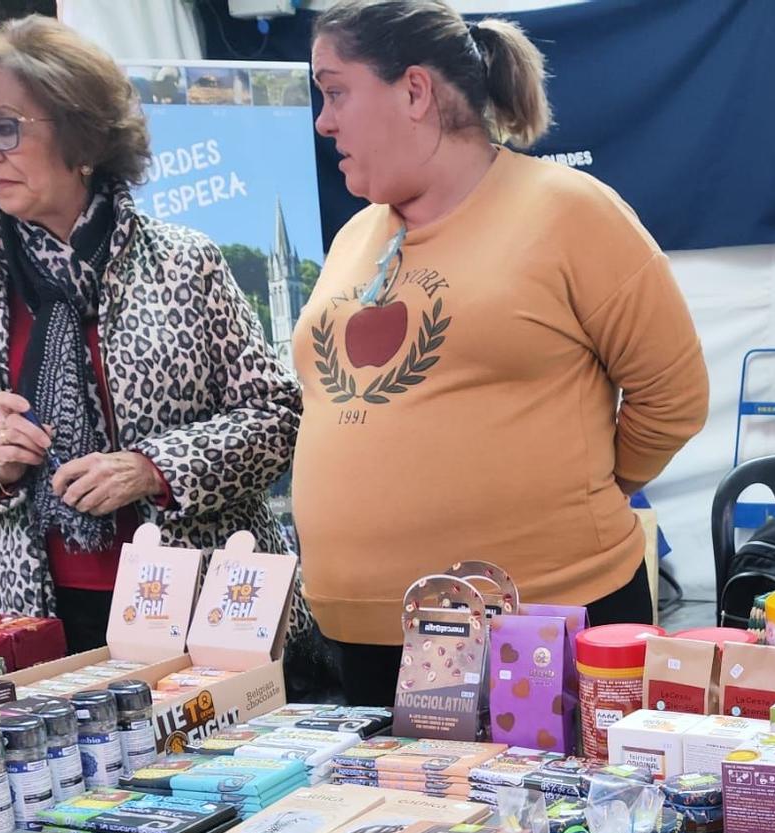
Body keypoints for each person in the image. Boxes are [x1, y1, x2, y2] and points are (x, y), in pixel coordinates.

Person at [296, 0, 708, 703]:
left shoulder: (570, 211)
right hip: (366, 637)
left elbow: (673, 397)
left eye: (336, 91)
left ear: (415, 91)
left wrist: (582, 493)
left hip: (535, 623)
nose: (323, 120)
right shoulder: (354, 238)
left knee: (551, 814)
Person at [0, 17, 305, 654]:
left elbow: (278, 417)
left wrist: (154, 468)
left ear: (79, 132)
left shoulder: (183, 261)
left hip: (206, 598)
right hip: (46, 607)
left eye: (4, 127)